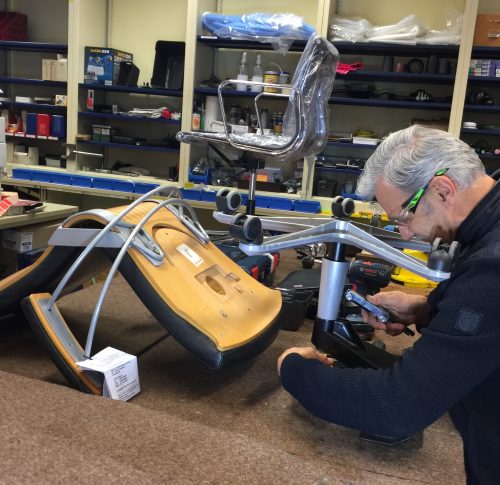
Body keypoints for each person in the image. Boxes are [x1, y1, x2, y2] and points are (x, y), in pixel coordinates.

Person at [277, 125, 500, 484]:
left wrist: (293, 368)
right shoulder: (489, 219)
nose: (406, 233)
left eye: (404, 217)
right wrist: (426, 308)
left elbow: (397, 406)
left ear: (443, 190)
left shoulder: (492, 266)